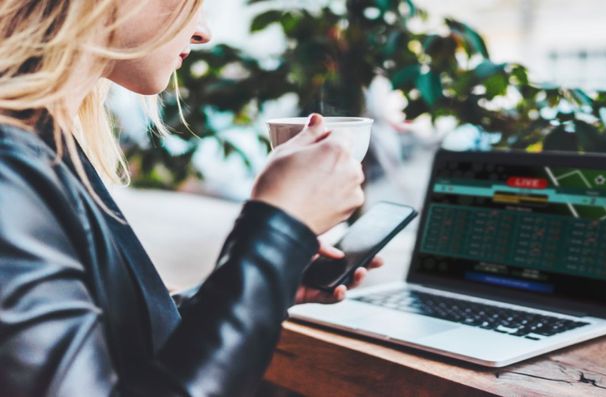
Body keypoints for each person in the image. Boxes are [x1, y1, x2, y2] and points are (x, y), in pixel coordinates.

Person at [0, 1, 382, 395]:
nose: (203, 32)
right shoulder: (9, 168)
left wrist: (264, 274)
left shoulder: (38, 139)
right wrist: (276, 228)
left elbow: (114, 349)